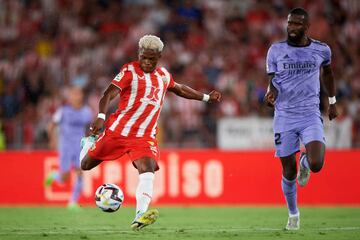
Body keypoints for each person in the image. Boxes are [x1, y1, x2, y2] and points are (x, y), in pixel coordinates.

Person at [80, 35, 221, 230]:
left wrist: (206, 97)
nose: (146, 62)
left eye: (151, 59)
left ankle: (140, 215)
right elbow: (108, 93)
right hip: (118, 131)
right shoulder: (129, 71)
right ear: (139, 54)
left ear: (159, 57)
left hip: (144, 137)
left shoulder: (163, 75)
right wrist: (102, 116)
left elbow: (179, 89)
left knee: (148, 168)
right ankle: (88, 142)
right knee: (85, 165)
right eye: (143, 57)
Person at [264, 8, 338, 230]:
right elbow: (274, 82)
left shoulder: (321, 50)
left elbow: (327, 74)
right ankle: (293, 214)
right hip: (284, 116)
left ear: (307, 27)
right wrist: (271, 95)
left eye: (297, 24)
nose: (291, 28)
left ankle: (305, 162)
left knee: (316, 164)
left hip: (310, 114)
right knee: (288, 171)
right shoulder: (275, 51)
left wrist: (332, 101)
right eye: (289, 24)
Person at [45, 86, 93, 210]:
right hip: (65, 146)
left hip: (79, 146)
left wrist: (92, 141)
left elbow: (90, 129)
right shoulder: (63, 111)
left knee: (80, 172)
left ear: (82, 96)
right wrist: (52, 140)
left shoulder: (87, 112)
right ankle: (55, 175)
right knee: (64, 177)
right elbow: (51, 125)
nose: (76, 97)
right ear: (69, 97)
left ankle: (72, 202)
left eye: (78, 94)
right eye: (73, 95)